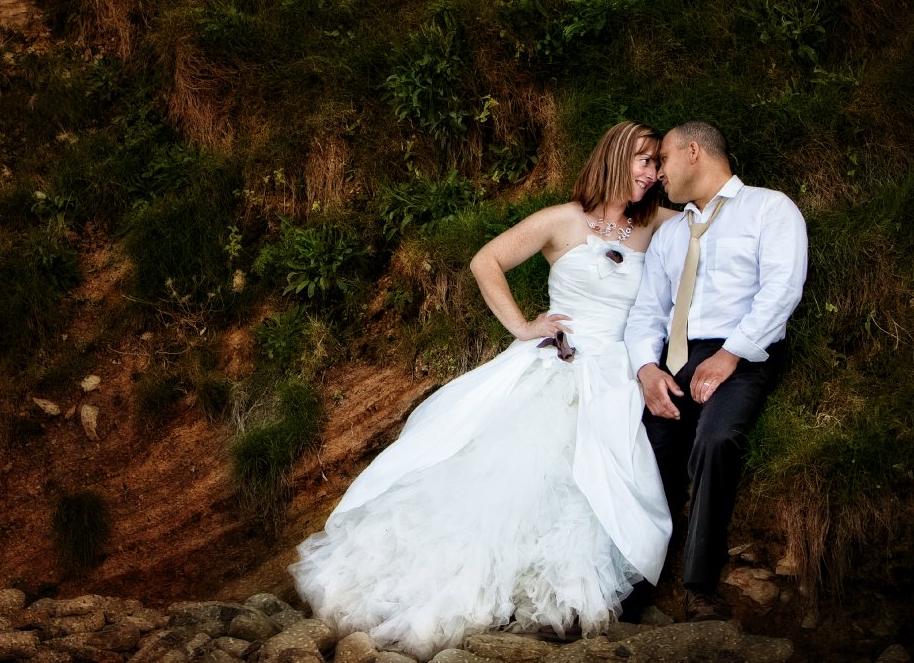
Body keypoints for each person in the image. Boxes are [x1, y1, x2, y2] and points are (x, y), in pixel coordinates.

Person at [289, 122, 675, 657]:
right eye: (643, 160)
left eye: (657, 163)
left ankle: (549, 597)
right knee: (514, 471)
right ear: (614, 157)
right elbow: (485, 261)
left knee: (590, 478)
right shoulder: (561, 219)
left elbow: (709, 221)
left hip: (615, 370)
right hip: (555, 362)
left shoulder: (656, 223)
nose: (652, 173)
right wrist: (522, 325)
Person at [624, 120, 807, 622]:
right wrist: (646, 368)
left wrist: (732, 353)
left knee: (716, 439)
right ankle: (631, 589)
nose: (658, 173)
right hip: (674, 360)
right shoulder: (670, 234)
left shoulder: (769, 209)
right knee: (647, 449)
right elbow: (647, 311)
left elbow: (782, 289)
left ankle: (699, 586)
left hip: (742, 352)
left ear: (694, 152)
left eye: (663, 159)